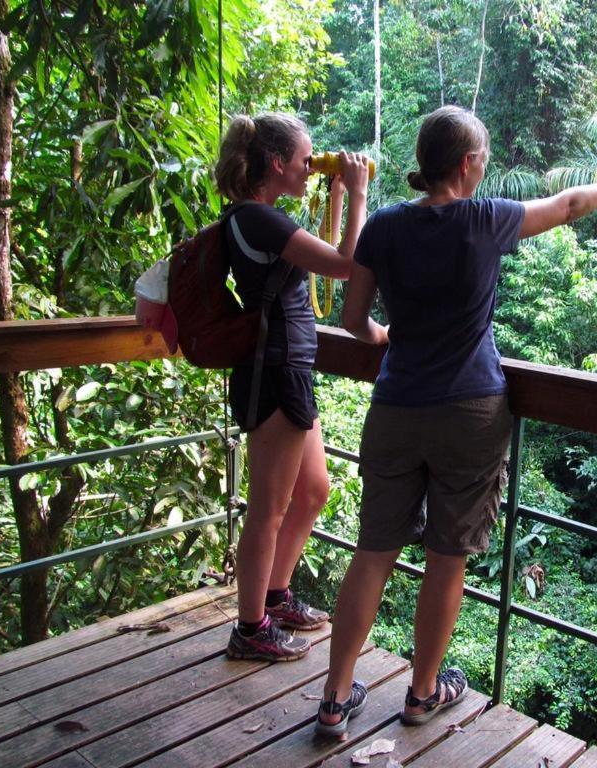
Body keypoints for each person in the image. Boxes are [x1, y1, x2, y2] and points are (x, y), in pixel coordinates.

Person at [314, 105, 597, 734]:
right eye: (485, 160)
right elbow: (572, 203)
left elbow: (352, 324)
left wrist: (389, 335)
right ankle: (420, 694)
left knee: (373, 551)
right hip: (470, 412)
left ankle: (334, 700)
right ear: (468, 164)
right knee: (447, 556)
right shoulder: (484, 220)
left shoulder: (384, 226)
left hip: (395, 407)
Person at [214, 112, 371, 661]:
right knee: (268, 508)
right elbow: (348, 265)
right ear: (277, 164)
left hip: (287, 369)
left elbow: (312, 255)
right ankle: (250, 627)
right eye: (305, 159)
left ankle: (275, 596)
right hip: (274, 369)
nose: (310, 166)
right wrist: (355, 195)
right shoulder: (260, 221)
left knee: (312, 491)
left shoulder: (258, 219)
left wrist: (330, 193)